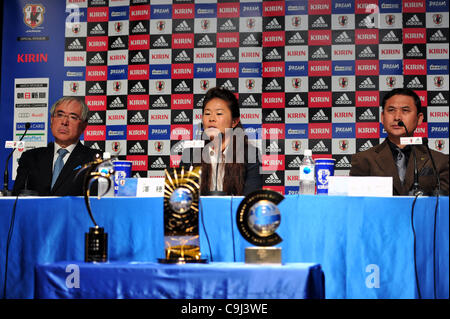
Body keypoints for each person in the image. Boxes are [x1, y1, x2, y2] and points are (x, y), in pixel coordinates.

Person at [350, 88, 449, 195]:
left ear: (419, 118)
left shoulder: (439, 161)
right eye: (391, 110)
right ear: (382, 117)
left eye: (405, 110)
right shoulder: (363, 160)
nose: (397, 117)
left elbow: (443, 205)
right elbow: (357, 204)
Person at [180, 87, 262, 196]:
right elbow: (182, 198)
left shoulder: (250, 155)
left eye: (219, 114)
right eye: (207, 113)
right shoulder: (190, 156)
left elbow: (250, 200)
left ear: (234, 122)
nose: (211, 119)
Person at [13, 96, 101, 196]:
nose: (64, 122)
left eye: (73, 117)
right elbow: (17, 199)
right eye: (60, 115)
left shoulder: (95, 160)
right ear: (52, 120)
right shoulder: (30, 157)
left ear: (84, 126)